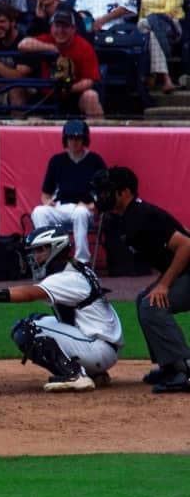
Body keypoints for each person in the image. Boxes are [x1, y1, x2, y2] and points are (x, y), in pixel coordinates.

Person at [0, 225, 122, 392]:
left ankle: (74, 375)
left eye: (39, 251)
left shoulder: (67, 278)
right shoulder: (75, 269)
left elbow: (30, 293)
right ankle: (94, 374)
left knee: (27, 329)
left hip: (97, 349)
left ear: (55, 248)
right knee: (37, 320)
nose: (33, 257)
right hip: (99, 345)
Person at [92, 166, 190, 394]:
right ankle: (169, 365)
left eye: (108, 191)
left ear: (124, 192)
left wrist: (164, 285)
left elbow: (186, 245)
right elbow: (180, 231)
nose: (103, 196)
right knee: (144, 298)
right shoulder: (129, 216)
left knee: (152, 304)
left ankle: (183, 370)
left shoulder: (142, 216)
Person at [30, 119, 106, 265]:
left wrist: (91, 206)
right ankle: (48, 257)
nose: (74, 142)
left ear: (84, 139)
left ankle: (81, 261)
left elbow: (105, 193)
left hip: (85, 209)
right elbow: (45, 194)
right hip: (61, 207)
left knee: (80, 213)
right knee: (39, 211)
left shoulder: (95, 160)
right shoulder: (57, 161)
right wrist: (47, 202)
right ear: (65, 140)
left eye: (78, 138)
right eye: (70, 138)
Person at [18, 9, 104, 117]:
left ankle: (96, 132)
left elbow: (90, 80)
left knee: (91, 96)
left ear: (73, 29)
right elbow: (22, 45)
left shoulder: (84, 47)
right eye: (57, 26)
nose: (60, 30)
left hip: (75, 95)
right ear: (51, 28)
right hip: (48, 95)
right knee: (31, 117)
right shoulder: (47, 39)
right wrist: (51, 48)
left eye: (65, 27)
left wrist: (68, 88)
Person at [138, 0, 184, 94]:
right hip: (145, 25)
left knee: (151, 29)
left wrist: (150, 19)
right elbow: (142, 9)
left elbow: (169, 12)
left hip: (169, 25)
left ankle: (154, 75)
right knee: (150, 31)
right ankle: (166, 79)